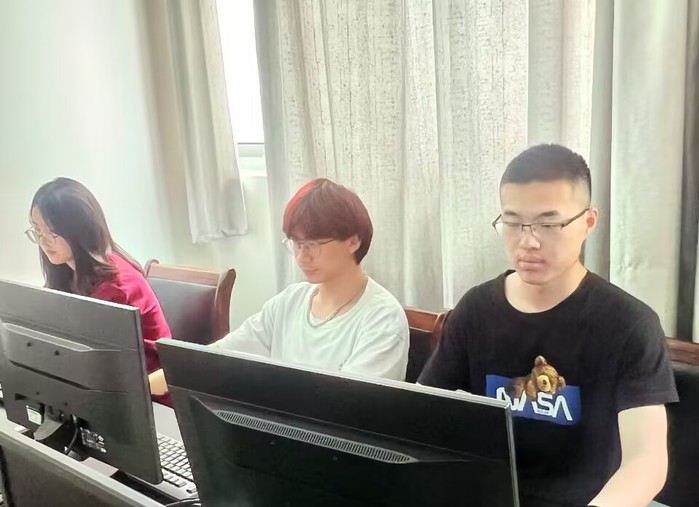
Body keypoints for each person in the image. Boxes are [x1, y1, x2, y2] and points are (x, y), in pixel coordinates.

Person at [418, 144, 678, 507]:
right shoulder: (475, 309)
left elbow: (646, 462)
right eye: (512, 223)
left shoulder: (629, 324)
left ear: (588, 222)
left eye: (549, 224)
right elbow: (421, 416)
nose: (528, 241)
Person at [149, 178, 409, 395]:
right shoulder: (290, 302)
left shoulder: (381, 319)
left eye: (313, 245)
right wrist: (142, 388)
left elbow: (350, 410)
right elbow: (215, 359)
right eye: (296, 243)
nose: (302, 256)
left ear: (353, 241)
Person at [27, 177, 171, 375]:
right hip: (108, 378)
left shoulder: (115, 286)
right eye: (37, 229)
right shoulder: (69, 269)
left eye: (52, 231)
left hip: (148, 385)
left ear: (80, 228)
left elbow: (98, 360)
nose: (43, 241)